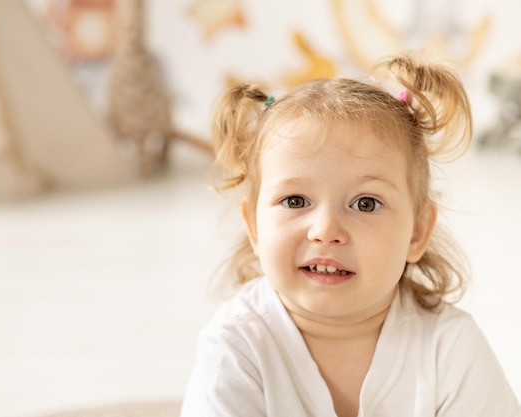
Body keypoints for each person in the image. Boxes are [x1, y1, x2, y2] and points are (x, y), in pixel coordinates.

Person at [180, 54, 521, 417]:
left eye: (366, 204)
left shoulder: (450, 347)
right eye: (295, 200)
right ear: (254, 228)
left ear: (416, 233)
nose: (326, 231)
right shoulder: (237, 344)